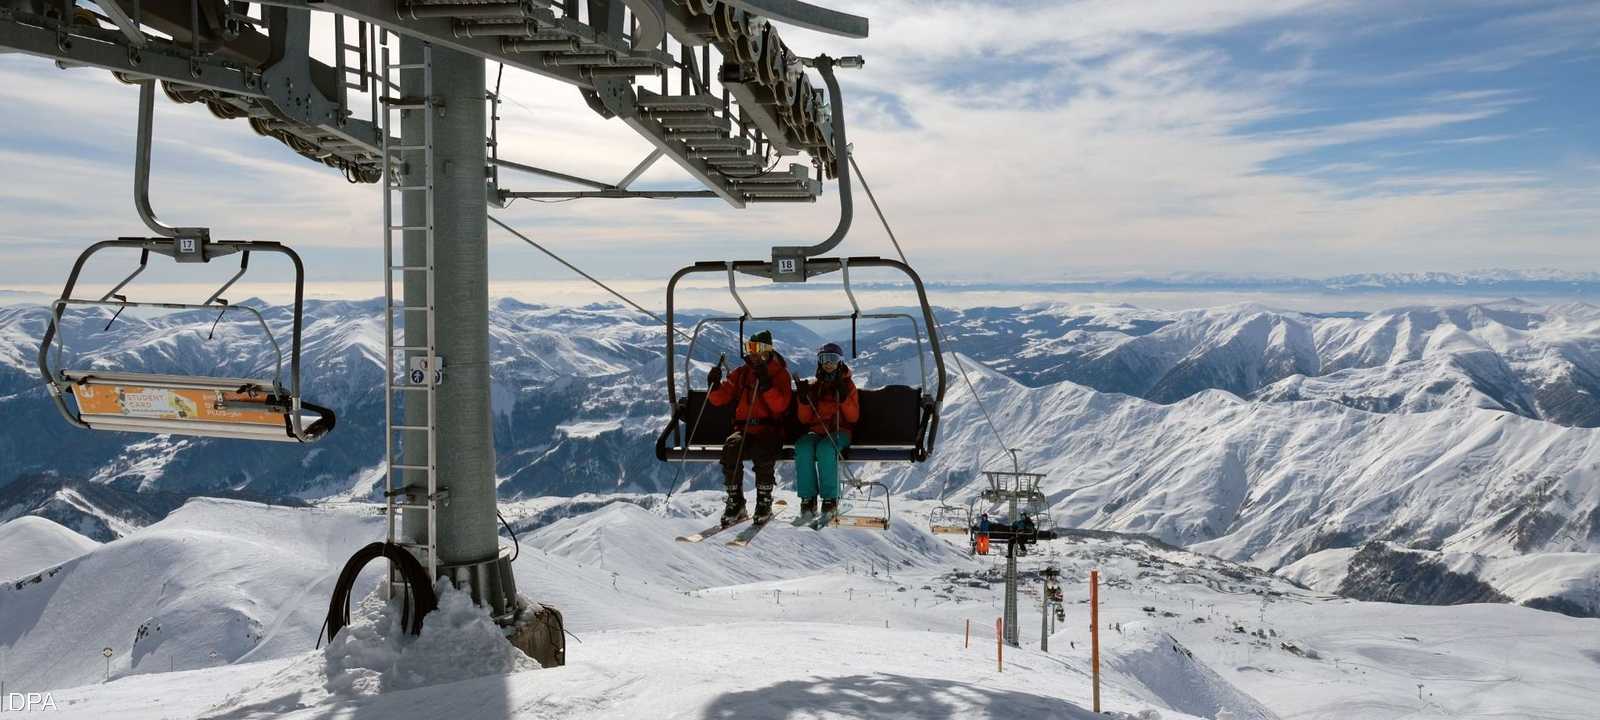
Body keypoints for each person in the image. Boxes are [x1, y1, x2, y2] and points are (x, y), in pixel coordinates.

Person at [706, 330, 792, 526]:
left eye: (757, 349)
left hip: (769, 429)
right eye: (749, 348)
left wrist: (767, 387)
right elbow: (720, 399)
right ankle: (736, 502)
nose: (752, 353)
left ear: (768, 350)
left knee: (763, 451)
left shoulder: (779, 374)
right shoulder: (742, 373)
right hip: (744, 429)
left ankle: (764, 501)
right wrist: (714, 385)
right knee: (731, 448)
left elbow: (781, 405)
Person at [793, 343, 860, 522]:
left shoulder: (847, 385)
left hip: (840, 431)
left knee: (826, 449)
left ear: (840, 362)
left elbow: (853, 417)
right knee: (803, 447)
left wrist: (844, 398)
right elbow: (804, 419)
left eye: (833, 359)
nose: (828, 364)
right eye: (824, 359)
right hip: (817, 430)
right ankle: (808, 498)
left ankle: (830, 498)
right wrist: (803, 401)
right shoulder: (816, 386)